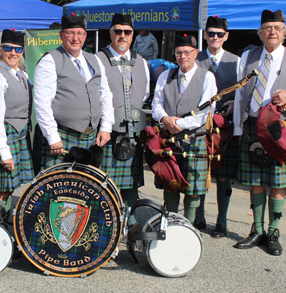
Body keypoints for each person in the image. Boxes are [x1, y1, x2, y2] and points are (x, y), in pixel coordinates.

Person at [233, 10, 286, 256]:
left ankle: (273, 232)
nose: (272, 32)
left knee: (278, 183)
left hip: (281, 127)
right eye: (267, 28)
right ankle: (256, 230)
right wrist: (237, 127)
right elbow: (239, 94)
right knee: (256, 182)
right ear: (261, 32)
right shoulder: (248, 55)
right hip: (252, 125)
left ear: (284, 32)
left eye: (277, 28)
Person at [33, 14, 114, 173]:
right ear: (61, 35)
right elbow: (42, 103)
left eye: (80, 33)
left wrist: (106, 127)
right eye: (70, 33)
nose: (75, 38)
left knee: (83, 190)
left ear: (85, 35)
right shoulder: (49, 61)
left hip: (90, 137)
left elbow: (105, 94)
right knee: (55, 191)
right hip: (62, 136)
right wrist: (52, 137)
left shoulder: (95, 60)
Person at [151, 34, 217, 224]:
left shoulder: (207, 77)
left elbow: (205, 114)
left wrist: (177, 123)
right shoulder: (165, 75)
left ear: (196, 53)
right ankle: (170, 223)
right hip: (168, 140)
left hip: (194, 139)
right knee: (170, 183)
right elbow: (156, 104)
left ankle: (188, 225)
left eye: (187, 52)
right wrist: (164, 118)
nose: (183, 57)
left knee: (193, 189)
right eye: (179, 53)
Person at [96, 14, 149, 226]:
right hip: (107, 129)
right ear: (110, 33)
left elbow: (144, 94)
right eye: (118, 31)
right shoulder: (97, 59)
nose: (122, 36)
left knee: (130, 181)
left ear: (133, 35)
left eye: (127, 32)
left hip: (132, 129)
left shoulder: (142, 62)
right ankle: (106, 220)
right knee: (106, 179)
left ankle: (129, 220)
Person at [194, 15, 241, 238]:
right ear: (204, 35)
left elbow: (244, 90)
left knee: (223, 175)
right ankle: (199, 218)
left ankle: (221, 223)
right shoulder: (194, 58)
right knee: (202, 171)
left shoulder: (237, 61)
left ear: (226, 36)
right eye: (211, 33)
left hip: (226, 126)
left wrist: (236, 101)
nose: (215, 37)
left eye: (219, 34)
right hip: (200, 125)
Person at [0, 29, 34, 219]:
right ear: (1, 50)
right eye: (9, 48)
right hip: (5, 138)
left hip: (19, 137)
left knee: (10, 188)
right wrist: (4, 152)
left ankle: (4, 227)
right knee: (1, 189)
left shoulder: (22, 76)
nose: (13, 53)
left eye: (18, 49)